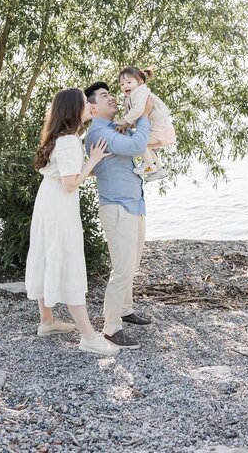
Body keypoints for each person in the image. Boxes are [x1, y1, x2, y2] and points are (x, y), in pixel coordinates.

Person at [25, 88, 119, 357]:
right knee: (66, 259)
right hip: (59, 208)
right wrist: (94, 160)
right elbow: (70, 184)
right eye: (84, 102)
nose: (89, 105)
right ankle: (89, 336)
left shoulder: (62, 137)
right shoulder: (68, 141)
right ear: (73, 109)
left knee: (47, 255)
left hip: (48, 204)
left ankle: (47, 321)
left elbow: (65, 177)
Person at [84, 81, 154, 350]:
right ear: (93, 107)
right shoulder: (98, 134)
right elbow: (137, 146)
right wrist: (144, 116)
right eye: (104, 96)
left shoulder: (116, 128)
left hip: (134, 204)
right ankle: (111, 327)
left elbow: (144, 142)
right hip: (116, 207)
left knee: (131, 264)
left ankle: (125, 309)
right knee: (123, 268)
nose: (111, 98)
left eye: (110, 94)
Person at [114, 66, 176, 181]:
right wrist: (125, 124)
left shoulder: (141, 92)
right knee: (146, 146)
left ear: (140, 83)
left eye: (129, 82)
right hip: (156, 128)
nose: (125, 86)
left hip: (160, 128)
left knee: (140, 142)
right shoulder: (128, 98)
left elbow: (137, 110)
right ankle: (159, 170)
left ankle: (149, 166)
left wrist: (124, 122)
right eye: (122, 84)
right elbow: (130, 115)